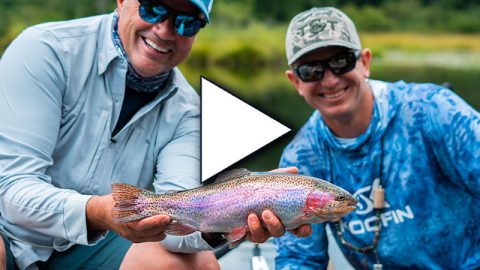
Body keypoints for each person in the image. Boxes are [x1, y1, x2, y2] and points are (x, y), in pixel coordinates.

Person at [0, 0, 310, 269]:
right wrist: (97, 211)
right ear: (122, 1)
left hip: (91, 245)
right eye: (154, 7)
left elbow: (179, 226)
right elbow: (11, 190)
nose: (164, 29)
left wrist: (228, 220)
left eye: (186, 22)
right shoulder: (46, 51)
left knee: (197, 264)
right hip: (7, 230)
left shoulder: (189, 112)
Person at [274, 6, 480, 270]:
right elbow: (299, 260)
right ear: (296, 82)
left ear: (365, 62)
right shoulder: (301, 158)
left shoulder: (434, 110)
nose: (330, 80)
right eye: (311, 70)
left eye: (341, 61)